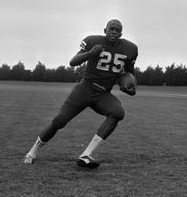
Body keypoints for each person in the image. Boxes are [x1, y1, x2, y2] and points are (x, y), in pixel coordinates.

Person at [23, 19, 138, 168]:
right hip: (86, 88)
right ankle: (32, 152)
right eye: (111, 29)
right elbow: (73, 62)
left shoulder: (130, 49)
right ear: (105, 30)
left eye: (117, 30)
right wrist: (91, 53)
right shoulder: (93, 41)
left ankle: (86, 154)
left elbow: (129, 72)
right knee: (59, 121)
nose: (114, 32)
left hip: (103, 93)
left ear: (121, 33)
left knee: (118, 113)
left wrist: (130, 87)